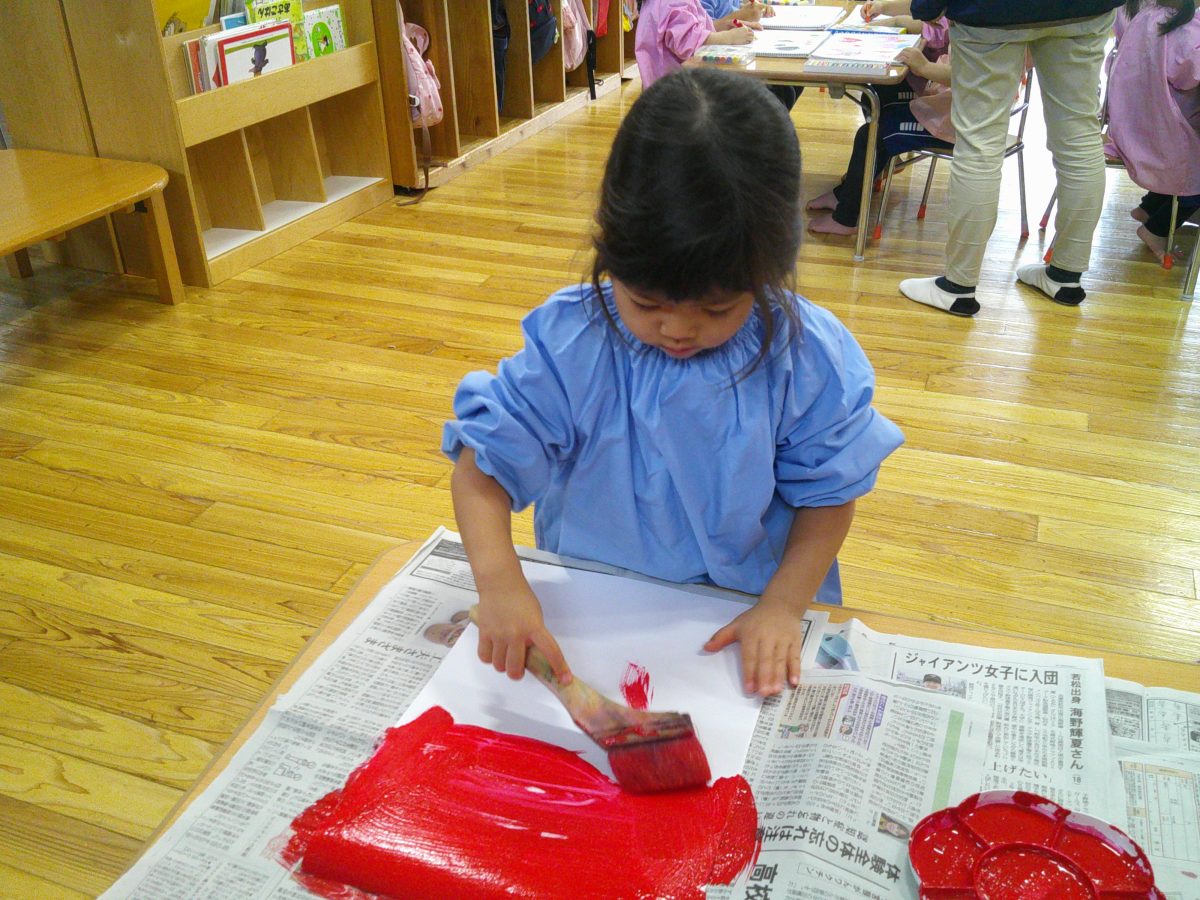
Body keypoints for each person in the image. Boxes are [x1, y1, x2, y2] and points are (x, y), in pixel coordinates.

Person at [443, 68, 902, 698]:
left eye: (717, 309)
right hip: (600, 604)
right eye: (645, 302)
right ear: (610, 252)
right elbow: (482, 470)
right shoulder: (575, 342)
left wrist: (782, 606)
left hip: (748, 605)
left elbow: (827, 495)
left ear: (770, 269)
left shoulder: (803, 356)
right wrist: (500, 583)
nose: (678, 330)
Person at [895, 0, 1124, 317]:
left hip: (990, 11)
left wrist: (928, 7)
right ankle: (1065, 276)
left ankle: (958, 286)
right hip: (1086, 7)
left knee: (979, 144)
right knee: (1079, 137)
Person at [807, 27, 953, 236]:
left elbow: (967, 76)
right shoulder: (980, 25)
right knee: (877, 103)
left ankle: (846, 218)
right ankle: (846, 194)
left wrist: (925, 67)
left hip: (950, 124)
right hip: (945, 108)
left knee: (872, 134)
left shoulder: (981, 28)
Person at [1104, 0, 1200, 261]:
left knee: (1183, 167)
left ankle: (1149, 207)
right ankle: (1156, 229)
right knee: (1194, 179)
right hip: (1161, 131)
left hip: (1129, 123)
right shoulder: (1184, 26)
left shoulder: (1144, 15)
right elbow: (1188, 76)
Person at [635, 0, 801, 108]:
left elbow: (695, 28)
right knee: (764, 98)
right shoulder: (673, 2)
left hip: (671, 87)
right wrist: (728, 37)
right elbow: (688, 42)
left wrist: (725, 27)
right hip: (678, 93)